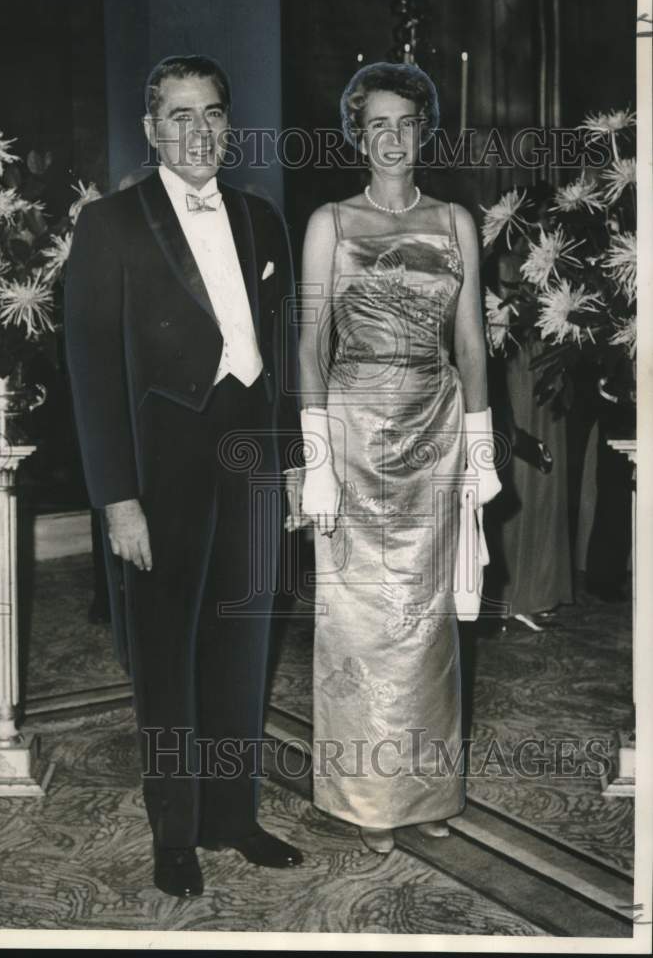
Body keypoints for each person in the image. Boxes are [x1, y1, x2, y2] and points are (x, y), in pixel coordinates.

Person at [64, 55, 303, 898]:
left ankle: (232, 818)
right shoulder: (111, 225)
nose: (196, 131)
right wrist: (114, 498)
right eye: (178, 115)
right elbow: (89, 371)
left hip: (253, 458)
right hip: (160, 467)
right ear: (151, 129)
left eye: (211, 114)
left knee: (242, 645)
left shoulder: (261, 218)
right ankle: (175, 832)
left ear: (228, 125)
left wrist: (296, 465)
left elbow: (283, 356)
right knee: (166, 656)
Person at [294, 62, 501, 853]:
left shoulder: (454, 222)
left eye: (404, 123)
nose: (390, 137)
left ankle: (425, 793)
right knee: (358, 622)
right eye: (375, 123)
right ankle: (362, 802)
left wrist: (479, 448)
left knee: (426, 624)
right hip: (350, 432)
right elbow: (311, 342)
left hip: (435, 432)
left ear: (423, 131)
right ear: (357, 132)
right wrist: (314, 457)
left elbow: (471, 342)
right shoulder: (328, 222)